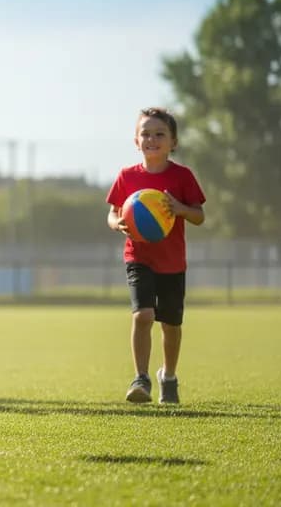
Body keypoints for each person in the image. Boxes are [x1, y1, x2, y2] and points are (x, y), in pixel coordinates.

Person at [105, 107, 206, 405]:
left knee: (171, 325)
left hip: (172, 262)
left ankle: (169, 377)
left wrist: (180, 209)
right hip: (138, 256)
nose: (152, 139)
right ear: (136, 141)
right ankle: (141, 378)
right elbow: (112, 213)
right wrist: (118, 224)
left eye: (159, 134)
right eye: (145, 134)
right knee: (143, 314)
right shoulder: (126, 177)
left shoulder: (182, 176)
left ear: (173, 142)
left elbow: (199, 216)